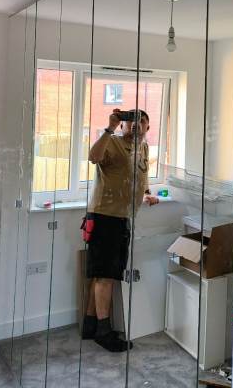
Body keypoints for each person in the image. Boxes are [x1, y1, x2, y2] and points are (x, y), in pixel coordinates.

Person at [81, 108, 158, 352]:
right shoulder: (113, 142)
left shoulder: (143, 148)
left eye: (141, 121)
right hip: (106, 216)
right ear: (123, 125)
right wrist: (109, 128)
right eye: (131, 121)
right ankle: (104, 333)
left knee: (103, 274)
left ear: (147, 127)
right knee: (106, 276)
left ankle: (90, 326)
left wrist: (146, 193)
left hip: (123, 217)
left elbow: (139, 175)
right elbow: (93, 156)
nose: (136, 125)